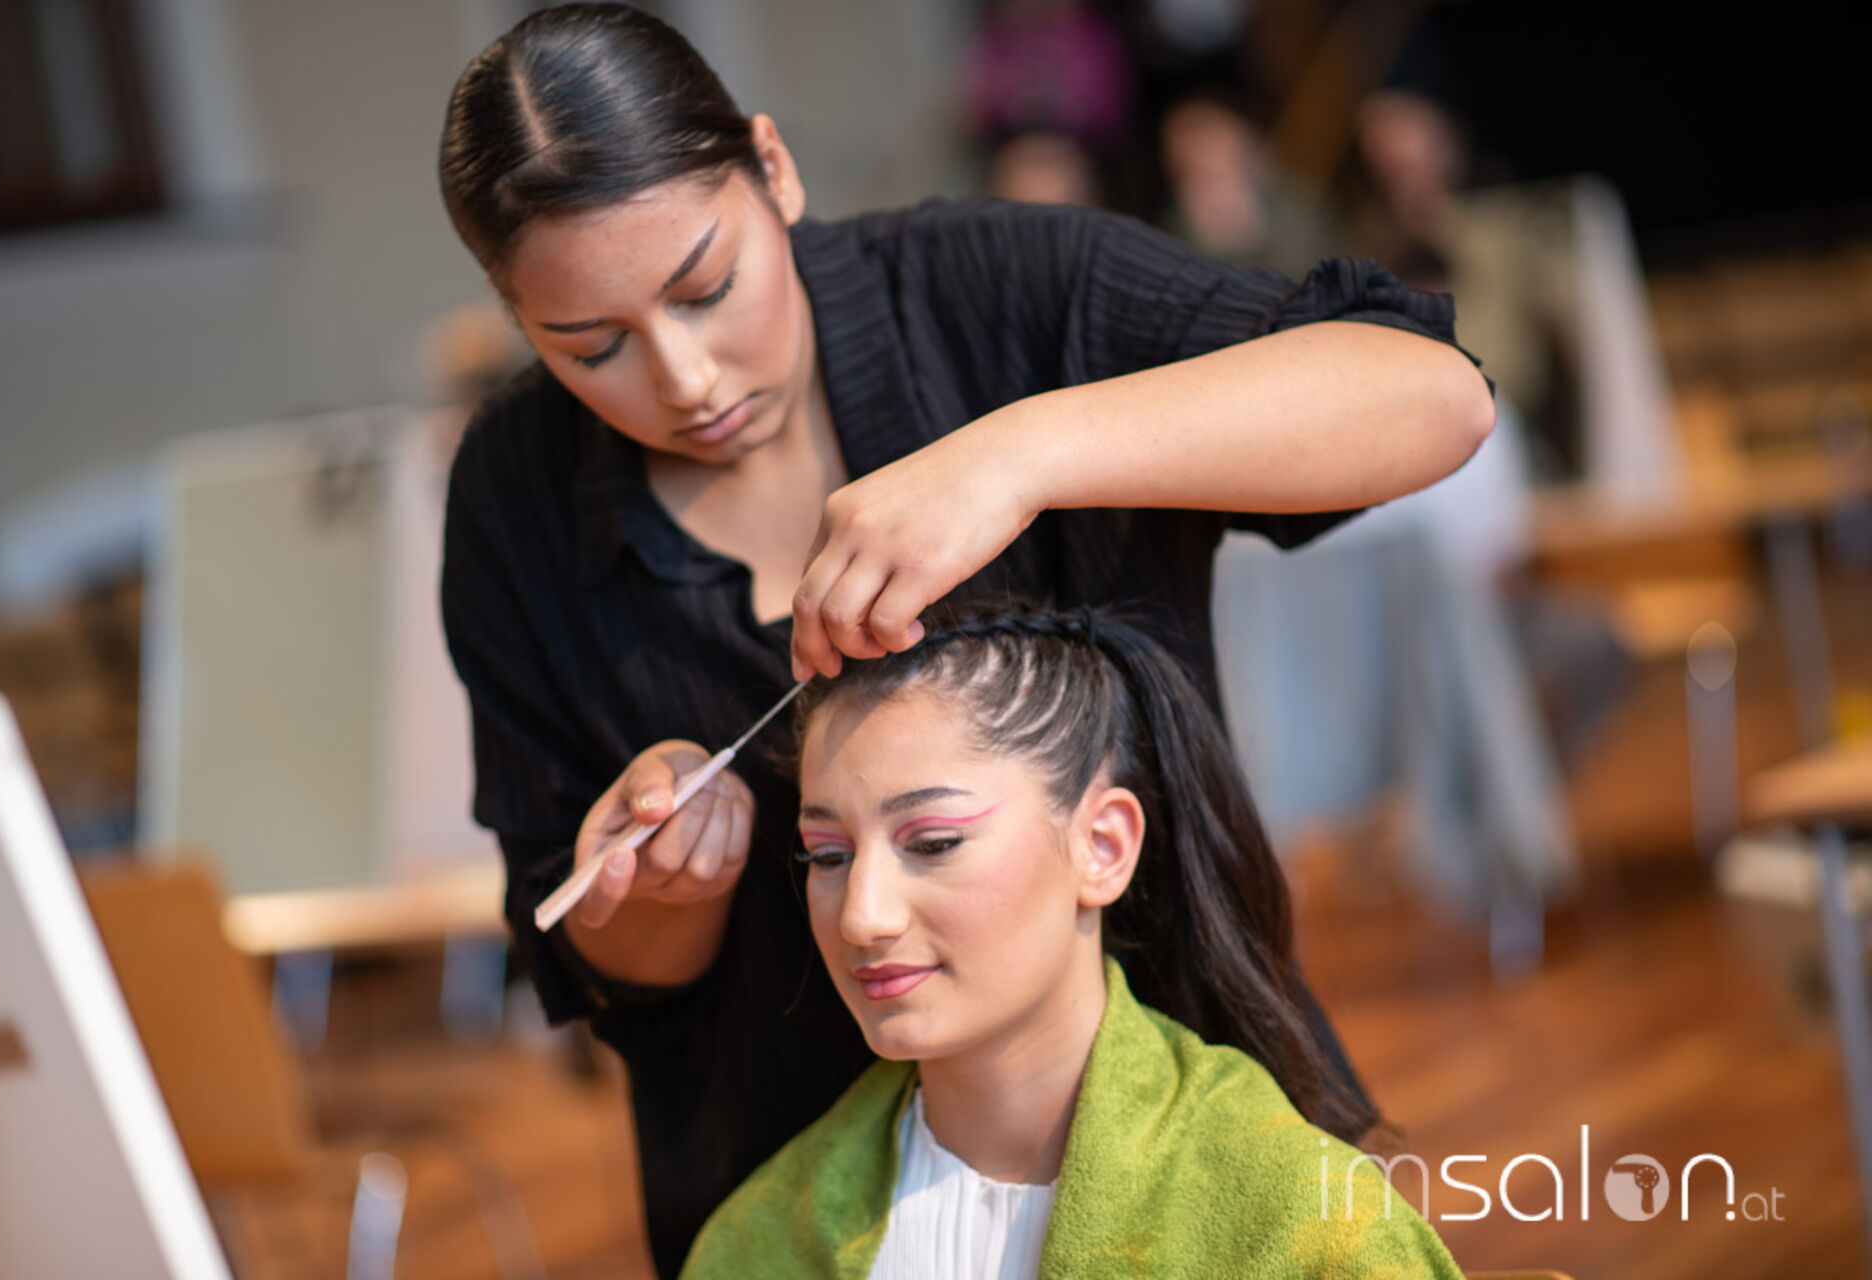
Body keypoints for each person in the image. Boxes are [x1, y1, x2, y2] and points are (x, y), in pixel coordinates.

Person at [435, 5, 1492, 1273]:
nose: (685, 379)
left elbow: (1434, 394)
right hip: (794, 1211)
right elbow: (608, 970)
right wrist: (664, 888)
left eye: (707, 289)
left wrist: (1024, 453)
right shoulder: (516, 496)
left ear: (773, 168)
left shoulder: (992, 291)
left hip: (1192, 1167)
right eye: (591, 346)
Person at [681, 603, 1464, 1278]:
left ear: (1103, 847)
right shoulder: (761, 1241)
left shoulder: (1295, 1217)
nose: (862, 916)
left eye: (933, 843)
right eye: (828, 856)